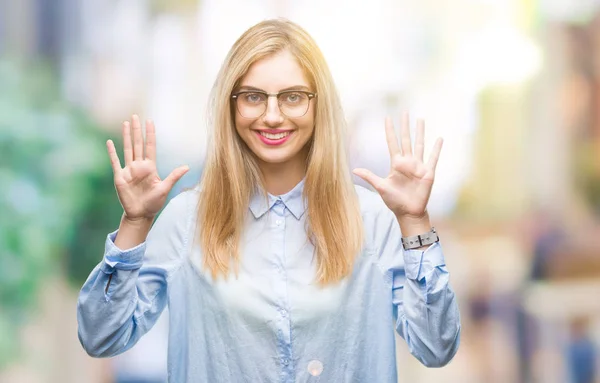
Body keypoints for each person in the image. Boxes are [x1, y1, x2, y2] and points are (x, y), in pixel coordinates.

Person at [77, 18, 461, 382]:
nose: (273, 116)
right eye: (253, 97)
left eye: (293, 97)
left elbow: (436, 347)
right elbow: (101, 337)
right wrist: (135, 224)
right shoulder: (185, 221)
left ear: (319, 104)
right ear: (231, 105)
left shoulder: (372, 220)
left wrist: (415, 222)